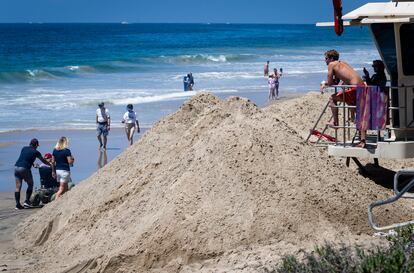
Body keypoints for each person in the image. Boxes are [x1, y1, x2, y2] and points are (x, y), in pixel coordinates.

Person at [320, 49, 363, 127]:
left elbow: (330, 83)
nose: (325, 60)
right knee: (349, 101)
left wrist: (323, 83)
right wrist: (326, 83)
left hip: (355, 89)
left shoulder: (331, 64)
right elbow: (336, 82)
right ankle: (357, 122)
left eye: (326, 58)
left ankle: (335, 123)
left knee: (332, 98)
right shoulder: (343, 63)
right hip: (362, 87)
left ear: (331, 58)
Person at [14, 138, 54, 209]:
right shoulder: (36, 152)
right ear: (35, 145)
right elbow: (43, 161)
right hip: (24, 168)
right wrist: (50, 165)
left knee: (18, 187)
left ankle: (17, 204)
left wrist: (32, 163)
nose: (37, 147)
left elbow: (25, 157)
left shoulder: (24, 148)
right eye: (37, 145)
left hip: (16, 167)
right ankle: (27, 202)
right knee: (30, 184)